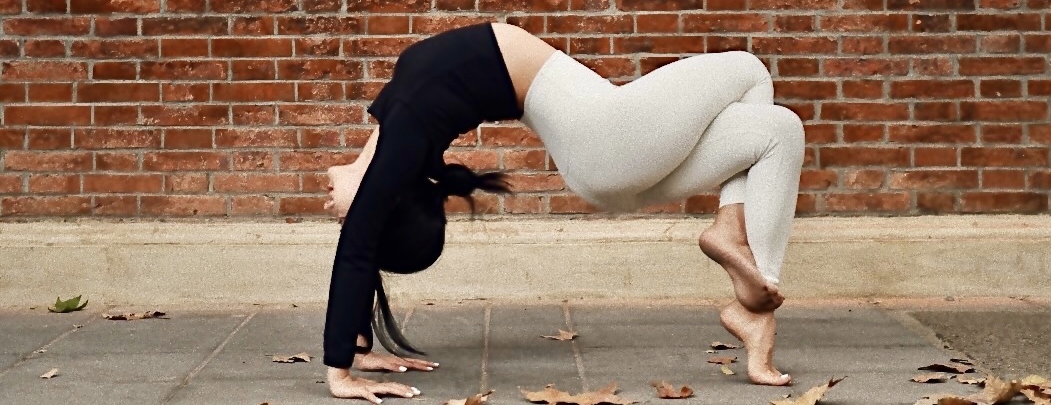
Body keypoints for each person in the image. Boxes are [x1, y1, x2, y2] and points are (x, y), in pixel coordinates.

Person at [322, 21, 805, 402]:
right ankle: (733, 238)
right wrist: (340, 372)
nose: (334, 211)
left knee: (776, 131)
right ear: (386, 203)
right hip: (607, 139)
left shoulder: (404, 128)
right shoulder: (405, 136)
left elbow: (367, 242)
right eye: (347, 218)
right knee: (748, 71)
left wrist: (360, 348)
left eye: (344, 217)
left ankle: (753, 308)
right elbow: (360, 247)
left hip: (603, 149)